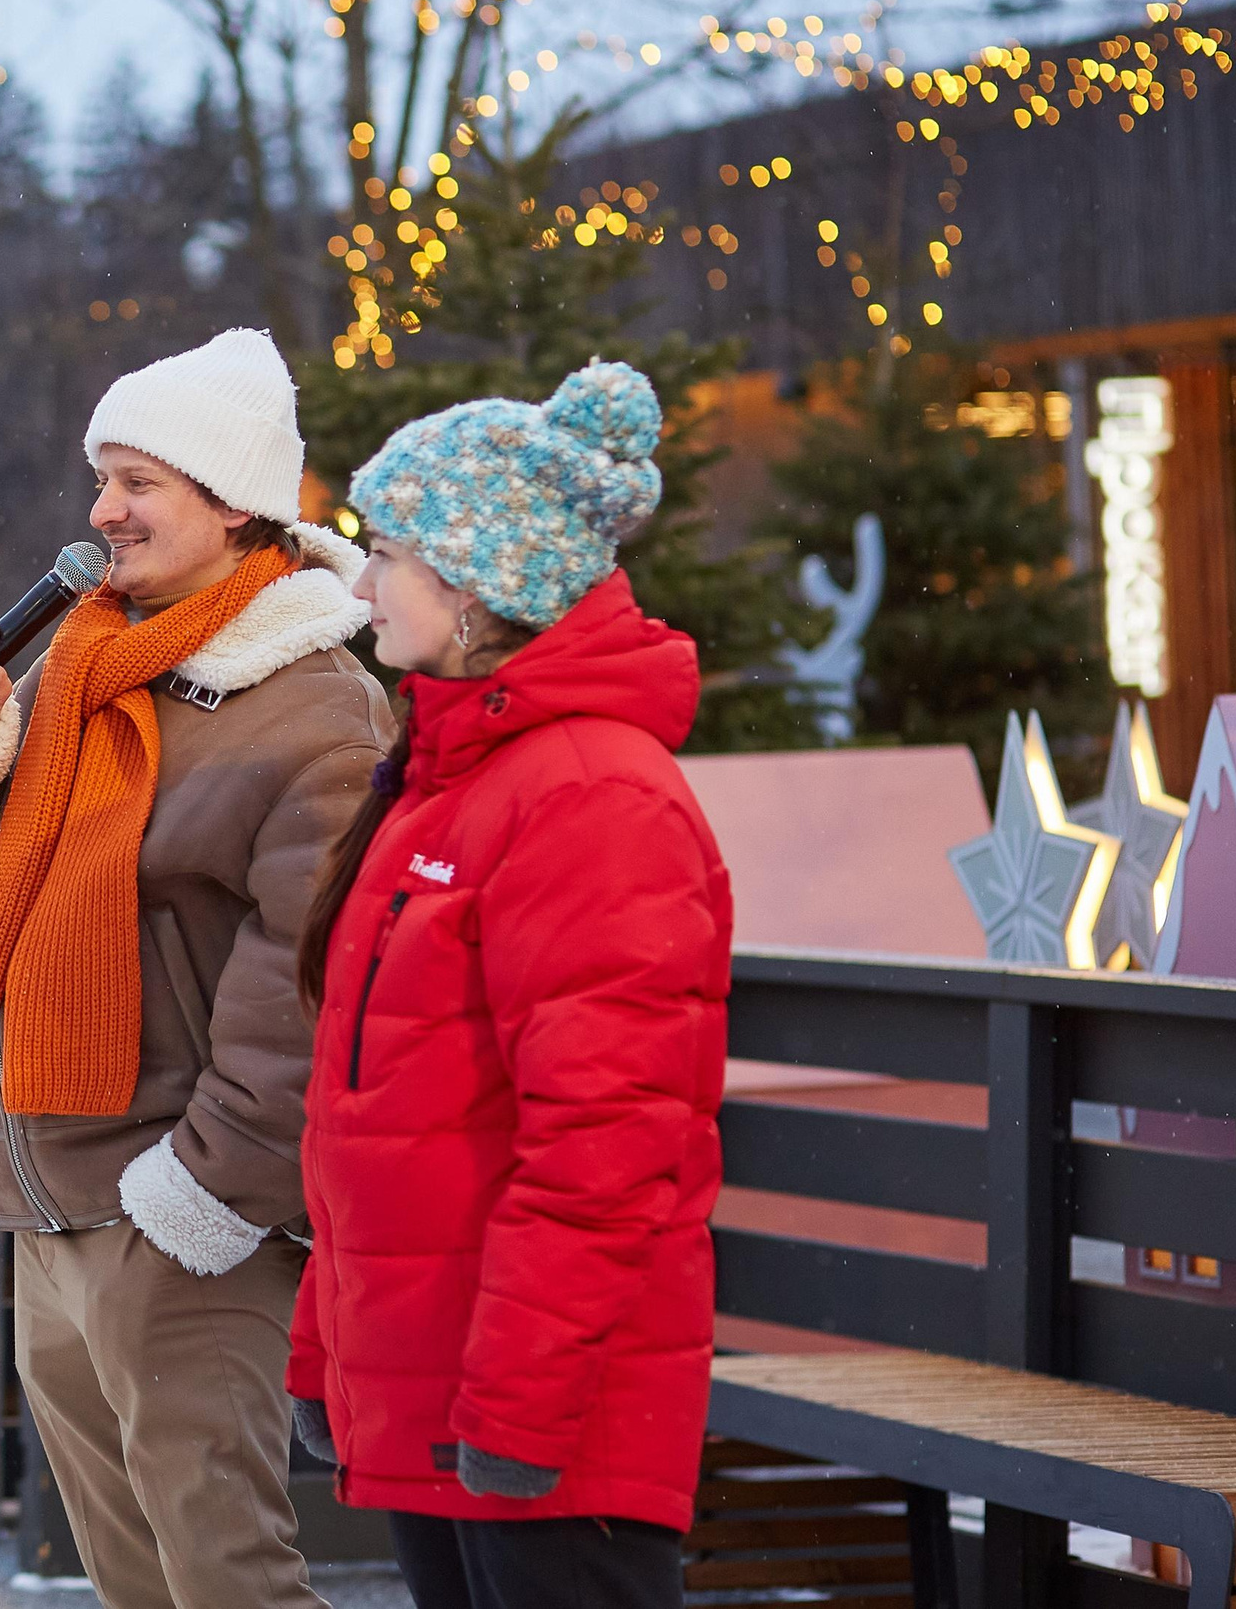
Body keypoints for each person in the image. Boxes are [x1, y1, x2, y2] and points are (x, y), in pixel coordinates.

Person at [0, 328, 392, 1609]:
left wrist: (199, 1193)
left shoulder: (315, 705)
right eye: (99, 479)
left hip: (176, 1211)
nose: (102, 511)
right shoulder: (78, 663)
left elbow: (308, 983)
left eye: (138, 482)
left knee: (226, 1580)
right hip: (45, 1194)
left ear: (232, 505)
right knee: (129, 1580)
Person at [287, 362, 733, 1609]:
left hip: (545, 1424)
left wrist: (522, 1405)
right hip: (442, 1389)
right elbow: (376, 1116)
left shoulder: (586, 796)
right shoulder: (455, 779)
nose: (362, 584)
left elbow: (606, 1142)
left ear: (483, 582)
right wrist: (332, 1356)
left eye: (388, 554)